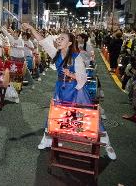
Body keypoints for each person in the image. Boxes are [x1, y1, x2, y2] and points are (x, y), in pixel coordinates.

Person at [22, 23, 116, 160]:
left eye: (62, 39)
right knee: (55, 114)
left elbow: (83, 78)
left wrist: (71, 75)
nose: (59, 40)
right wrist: (31, 28)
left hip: (76, 90)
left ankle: (107, 144)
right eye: (58, 38)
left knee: (88, 116)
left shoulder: (76, 57)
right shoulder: (56, 53)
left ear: (70, 43)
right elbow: (42, 40)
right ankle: (48, 139)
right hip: (61, 88)